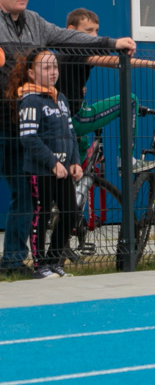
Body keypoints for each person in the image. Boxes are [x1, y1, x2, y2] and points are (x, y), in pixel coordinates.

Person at [0, 0, 136, 277]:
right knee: (25, 196)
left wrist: (111, 42)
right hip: (1, 123)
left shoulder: (34, 22)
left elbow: (69, 36)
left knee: (25, 195)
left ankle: (14, 260)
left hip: (22, 127)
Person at [57, 8, 155, 167]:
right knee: (130, 100)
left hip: (61, 119)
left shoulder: (61, 52)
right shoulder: (78, 51)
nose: (94, 36)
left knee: (82, 143)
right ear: (71, 30)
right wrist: (150, 64)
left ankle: (76, 182)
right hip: (76, 119)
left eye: (96, 31)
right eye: (88, 31)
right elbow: (114, 62)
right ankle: (127, 160)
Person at [7, 48, 81, 278]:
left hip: (63, 171)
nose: (53, 72)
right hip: (41, 170)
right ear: (31, 73)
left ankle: (54, 260)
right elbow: (28, 138)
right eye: (46, 68)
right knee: (42, 215)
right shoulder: (30, 100)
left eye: (55, 67)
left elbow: (71, 134)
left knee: (69, 213)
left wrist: (74, 162)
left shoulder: (61, 99)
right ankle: (40, 266)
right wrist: (51, 162)